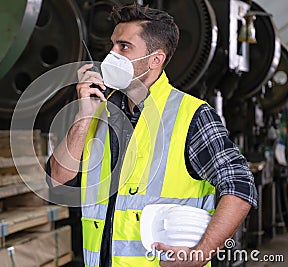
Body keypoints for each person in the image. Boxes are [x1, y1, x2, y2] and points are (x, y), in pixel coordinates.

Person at [47, 4, 257, 267]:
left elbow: (240, 186)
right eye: (112, 45)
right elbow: (57, 177)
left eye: (124, 47)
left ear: (155, 59)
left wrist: (200, 254)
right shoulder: (97, 110)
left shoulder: (191, 115)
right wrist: (83, 116)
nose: (112, 54)